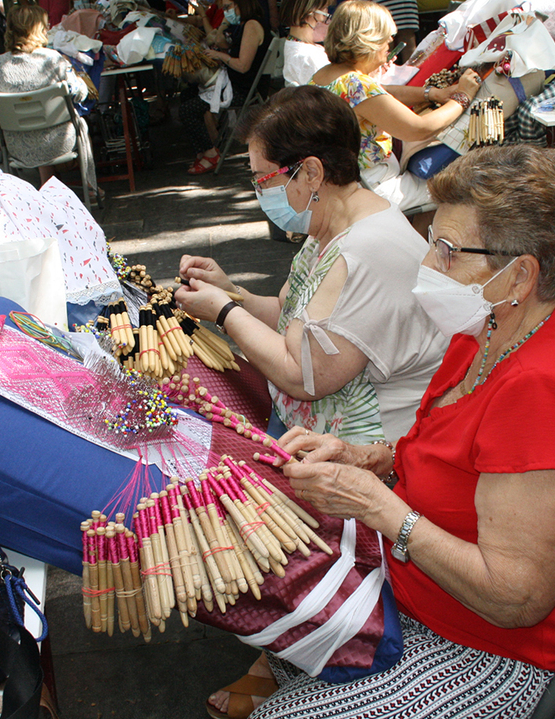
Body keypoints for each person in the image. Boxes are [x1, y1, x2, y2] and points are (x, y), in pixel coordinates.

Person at [207, 144, 555, 719]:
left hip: (517, 651)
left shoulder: (550, 390)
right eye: (430, 243)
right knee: (266, 573)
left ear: (520, 274)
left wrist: (379, 507)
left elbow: (514, 599)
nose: (427, 267)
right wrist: (368, 456)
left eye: (446, 252)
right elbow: (460, 449)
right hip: (434, 594)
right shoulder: (483, 334)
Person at [176, 85, 447, 448]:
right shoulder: (330, 225)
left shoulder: (367, 249)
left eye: (263, 178)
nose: (258, 189)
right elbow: (294, 319)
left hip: (370, 452)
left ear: (311, 173)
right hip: (309, 428)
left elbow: (305, 375)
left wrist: (224, 312)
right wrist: (231, 293)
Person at [310, 0, 481, 211]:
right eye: (387, 39)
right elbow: (418, 128)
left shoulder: (326, 76)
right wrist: (462, 97)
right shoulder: (356, 84)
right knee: (462, 185)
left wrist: (433, 94)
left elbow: (383, 93)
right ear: (369, 41)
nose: (390, 46)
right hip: (376, 188)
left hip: (350, 183)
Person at [0, 0, 100, 199]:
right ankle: (90, 187)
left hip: (17, 145)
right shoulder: (53, 60)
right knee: (78, 123)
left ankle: (47, 187)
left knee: (35, 126)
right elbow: (80, 93)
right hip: (58, 142)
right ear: (40, 28)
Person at [178, 0, 272, 174]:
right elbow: (218, 41)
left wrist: (219, 55)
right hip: (234, 82)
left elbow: (243, 65)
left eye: (228, 7)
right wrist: (223, 26)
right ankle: (203, 150)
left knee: (187, 110)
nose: (225, 11)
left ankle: (211, 153)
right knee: (186, 95)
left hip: (244, 89)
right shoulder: (241, 25)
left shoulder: (252, 26)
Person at [280, 0, 330, 87]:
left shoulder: (294, 45)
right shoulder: (307, 58)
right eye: (324, 14)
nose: (326, 20)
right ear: (308, 15)